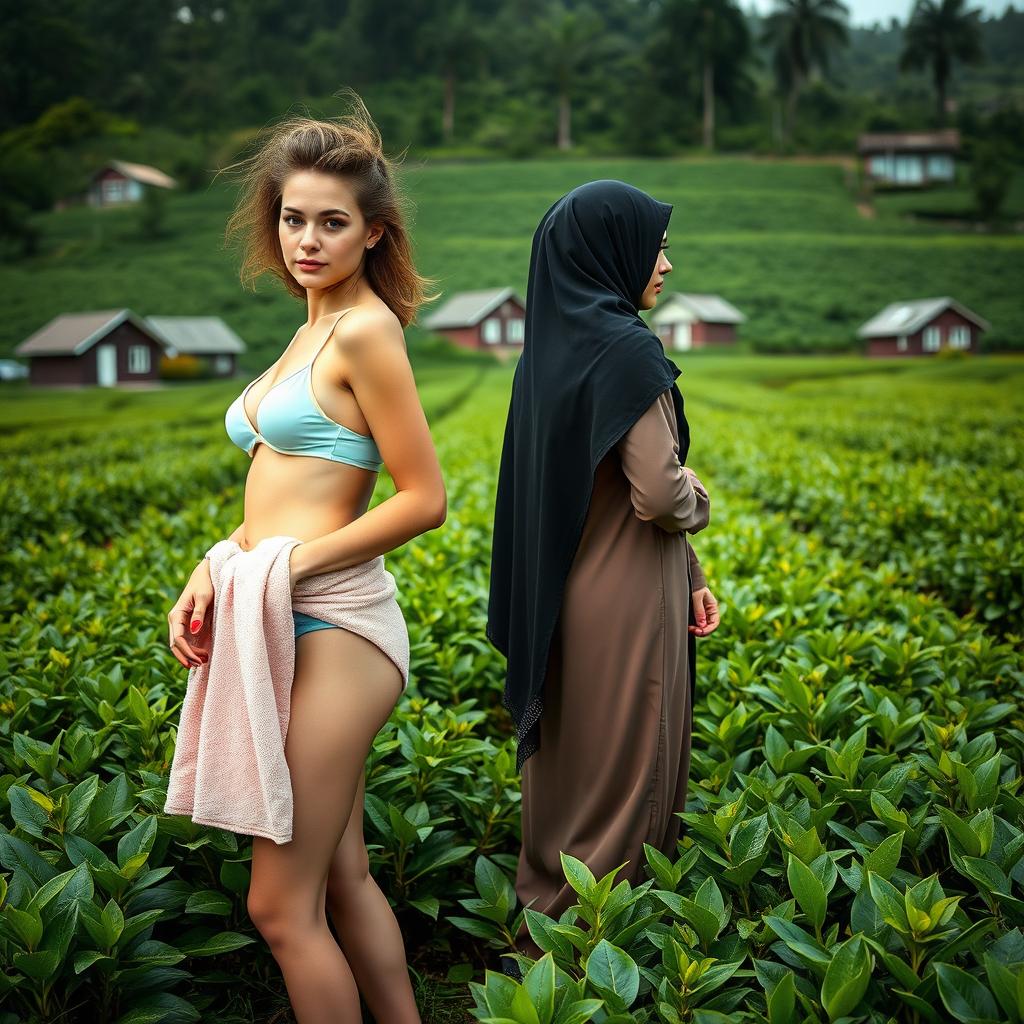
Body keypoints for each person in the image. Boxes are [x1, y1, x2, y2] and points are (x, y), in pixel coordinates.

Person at [165, 93, 442, 1024]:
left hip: (340, 630)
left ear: (373, 234)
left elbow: (423, 498)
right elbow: (276, 494)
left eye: (333, 222)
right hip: (284, 610)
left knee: (280, 908)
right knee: (346, 873)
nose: (307, 239)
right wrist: (220, 562)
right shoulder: (305, 331)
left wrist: (283, 567)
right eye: (293, 218)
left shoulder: (365, 329)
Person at [486, 179, 721, 964]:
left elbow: (581, 483)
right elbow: (655, 491)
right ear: (609, 252)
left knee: (569, 761)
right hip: (624, 593)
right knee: (631, 764)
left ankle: (541, 924)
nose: (666, 263)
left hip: (564, 591)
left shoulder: (546, 356)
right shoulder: (627, 349)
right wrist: (701, 504)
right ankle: (602, 953)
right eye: (654, 246)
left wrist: (688, 574)